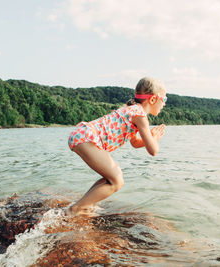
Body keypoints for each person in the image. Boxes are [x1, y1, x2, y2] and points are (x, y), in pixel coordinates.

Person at [66, 77, 167, 216]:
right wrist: (154, 138)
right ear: (153, 99)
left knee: (111, 178)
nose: (164, 104)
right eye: (164, 99)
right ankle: (77, 209)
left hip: (83, 135)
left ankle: (85, 205)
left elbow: (135, 143)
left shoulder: (132, 110)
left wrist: (149, 137)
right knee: (117, 181)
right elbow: (153, 151)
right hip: (87, 138)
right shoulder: (140, 116)